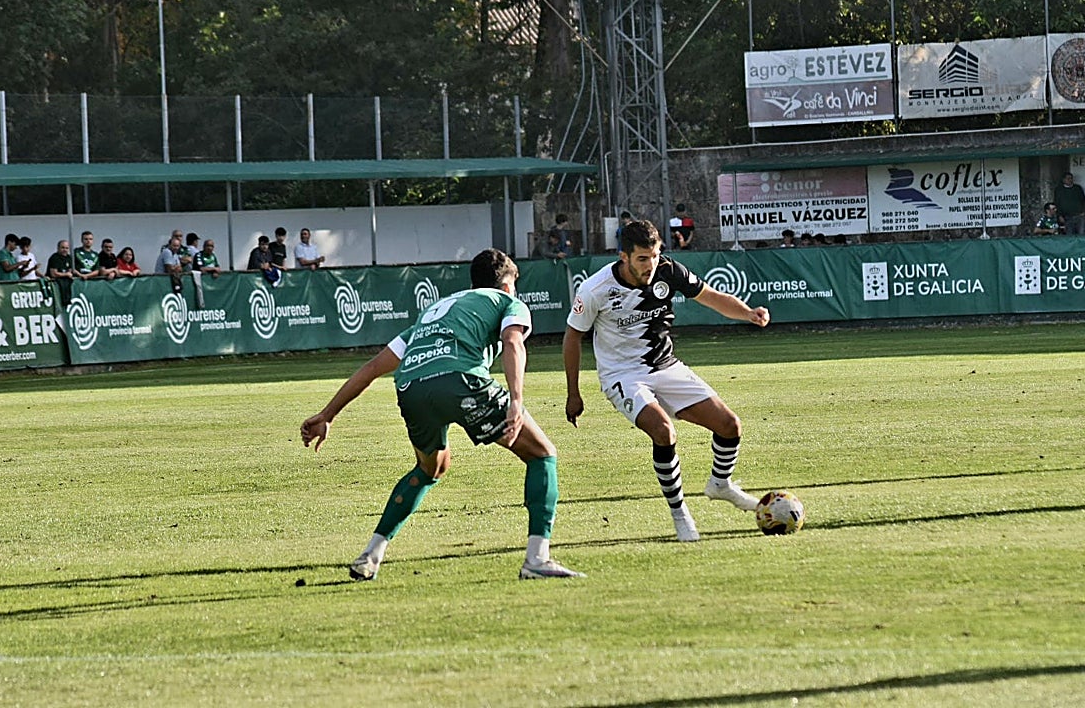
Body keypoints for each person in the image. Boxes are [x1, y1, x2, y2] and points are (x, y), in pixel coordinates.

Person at [300, 248, 584, 582]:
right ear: (508, 286)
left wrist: (328, 414)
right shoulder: (508, 302)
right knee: (542, 454)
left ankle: (371, 554)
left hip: (411, 388)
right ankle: (537, 558)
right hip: (461, 381)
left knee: (432, 466)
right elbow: (512, 343)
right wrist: (516, 400)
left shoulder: (435, 312)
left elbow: (374, 367)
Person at [562, 219, 771, 542]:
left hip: (666, 366)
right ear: (624, 257)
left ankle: (720, 485)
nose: (651, 264)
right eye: (642, 259)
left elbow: (710, 296)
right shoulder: (595, 289)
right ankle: (680, 513)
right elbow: (572, 337)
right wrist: (573, 393)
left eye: (655, 256)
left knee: (730, 425)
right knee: (663, 431)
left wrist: (748, 313)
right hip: (622, 375)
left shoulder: (669, 271)